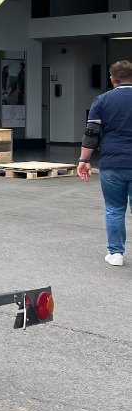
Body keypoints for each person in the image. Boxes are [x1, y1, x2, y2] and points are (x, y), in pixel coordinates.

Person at [77, 60, 132, 266]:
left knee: (115, 208)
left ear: (112, 79)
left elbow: (92, 133)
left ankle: (116, 254)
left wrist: (84, 160)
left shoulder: (102, 100)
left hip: (112, 162)